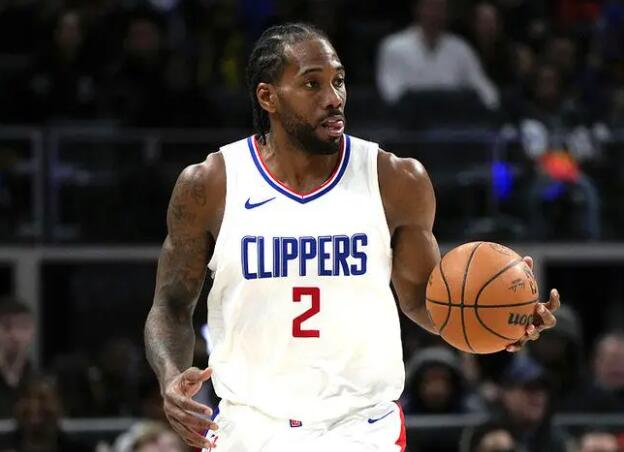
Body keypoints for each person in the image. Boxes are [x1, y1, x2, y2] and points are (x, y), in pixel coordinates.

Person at [144, 22, 560, 452]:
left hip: (361, 428)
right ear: (268, 96)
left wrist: (505, 321)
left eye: (338, 81)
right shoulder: (210, 185)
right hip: (249, 427)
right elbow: (170, 305)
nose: (333, 98)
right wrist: (170, 376)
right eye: (312, 83)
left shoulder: (396, 180)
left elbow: (425, 301)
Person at [376, 0, 499, 109]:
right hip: (410, 119)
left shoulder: (461, 48)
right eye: (430, 7)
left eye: (440, 8)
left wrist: (493, 107)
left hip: (452, 117)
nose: (435, 13)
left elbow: (482, 86)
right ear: (418, 9)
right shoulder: (394, 46)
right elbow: (390, 91)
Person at [0, 298, 35, 418]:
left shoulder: (40, 382)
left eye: (23, 327)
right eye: (6, 327)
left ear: (32, 330)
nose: (15, 335)